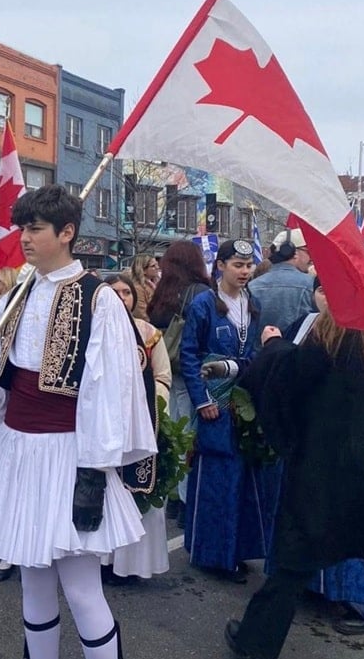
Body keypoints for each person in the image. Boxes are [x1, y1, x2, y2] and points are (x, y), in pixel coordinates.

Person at [0, 185, 156, 658]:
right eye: (23, 228)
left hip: (69, 452)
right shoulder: (18, 292)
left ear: (67, 232)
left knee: (81, 589)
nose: (26, 238)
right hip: (19, 450)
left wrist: (95, 469)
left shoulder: (99, 299)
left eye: (35, 229)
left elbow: (110, 391)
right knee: (32, 583)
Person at [224, 311, 364, 659]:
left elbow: (288, 382)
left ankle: (256, 644)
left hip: (323, 472)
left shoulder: (333, 337)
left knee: (292, 567)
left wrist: (273, 345)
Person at [179, 239, 280, 584]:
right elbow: (189, 355)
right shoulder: (204, 305)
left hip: (241, 401)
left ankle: (236, 549)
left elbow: (251, 352)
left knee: (242, 476)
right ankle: (213, 555)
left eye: (249, 265)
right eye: (238, 264)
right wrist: (202, 400)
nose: (245, 271)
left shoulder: (253, 303)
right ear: (220, 265)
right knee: (216, 477)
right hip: (214, 403)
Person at [103, 273, 171, 583]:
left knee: (137, 493)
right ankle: (103, 559)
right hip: (105, 424)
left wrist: (145, 407)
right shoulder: (95, 331)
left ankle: (132, 564)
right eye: (114, 292)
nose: (120, 297)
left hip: (143, 422)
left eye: (125, 293)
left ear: (134, 297)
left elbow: (163, 378)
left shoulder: (150, 333)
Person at [147, 240, 211, 526]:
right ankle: (185, 502)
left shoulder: (160, 294)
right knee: (187, 438)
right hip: (187, 371)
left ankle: (171, 496)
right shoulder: (200, 293)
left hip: (162, 371)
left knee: (169, 432)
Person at [247, 228, 314, 338]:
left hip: (260, 354)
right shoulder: (311, 285)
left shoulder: (252, 286)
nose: (311, 258)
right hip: (296, 353)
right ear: (294, 253)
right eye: (308, 251)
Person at [130, 253, 160, 321]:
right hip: (149, 327)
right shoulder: (138, 288)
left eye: (157, 264)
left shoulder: (156, 284)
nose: (157, 267)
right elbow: (141, 314)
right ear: (143, 270)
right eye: (153, 266)